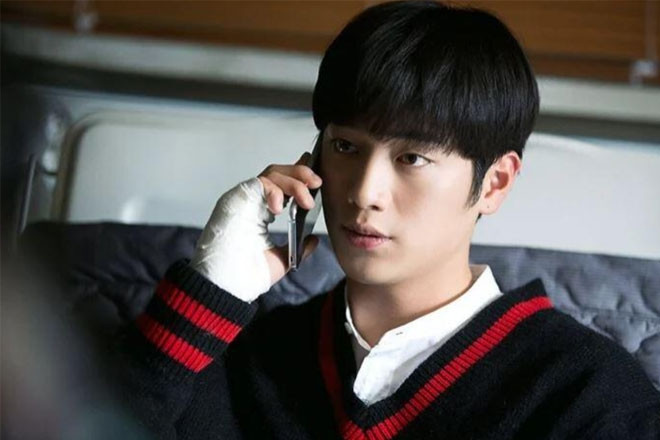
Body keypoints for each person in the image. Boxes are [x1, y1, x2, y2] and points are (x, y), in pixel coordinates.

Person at [117, 2, 660, 439]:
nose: (364, 192)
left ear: (494, 183)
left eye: (412, 158)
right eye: (345, 147)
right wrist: (206, 294)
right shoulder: (246, 358)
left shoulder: (586, 393)